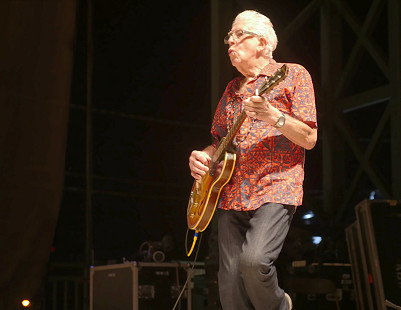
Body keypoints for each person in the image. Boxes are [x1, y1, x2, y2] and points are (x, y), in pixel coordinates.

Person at [188, 9, 317, 310]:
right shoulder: (231, 90)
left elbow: (309, 138)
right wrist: (202, 157)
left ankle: (280, 306)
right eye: (228, 37)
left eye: (238, 34)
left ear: (261, 42)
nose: (229, 42)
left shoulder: (294, 74)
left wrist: (274, 117)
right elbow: (217, 141)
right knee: (230, 286)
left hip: (276, 187)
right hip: (230, 192)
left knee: (254, 261)